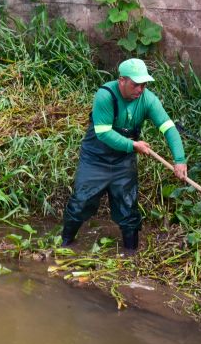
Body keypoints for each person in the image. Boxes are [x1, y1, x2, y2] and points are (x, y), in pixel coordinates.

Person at [60, 58, 187, 250]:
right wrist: (133, 145)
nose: (140, 89)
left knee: (128, 210)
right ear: (122, 80)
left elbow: (168, 128)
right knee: (80, 203)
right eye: (136, 84)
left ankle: (131, 253)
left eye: (144, 84)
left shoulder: (148, 100)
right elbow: (103, 133)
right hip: (95, 159)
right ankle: (65, 244)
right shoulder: (105, 95)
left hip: (123, 162)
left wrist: (179, 160)